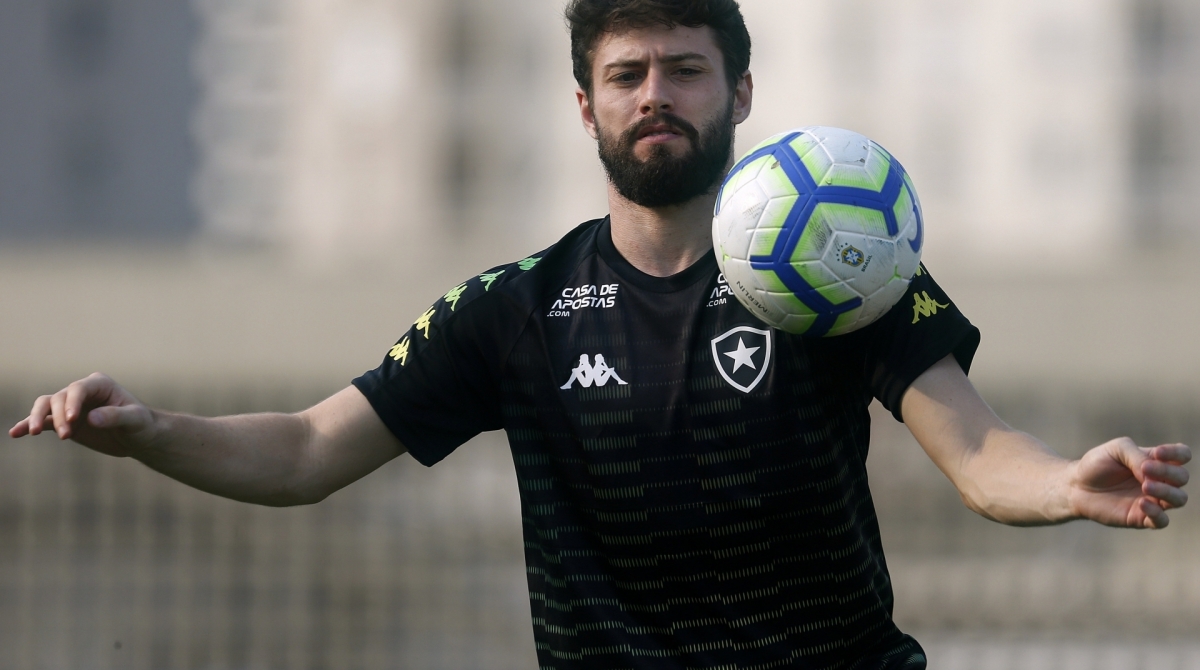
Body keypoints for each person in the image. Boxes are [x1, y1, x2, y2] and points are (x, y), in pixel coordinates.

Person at [9, 0, 1191, 668]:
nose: (654, 94)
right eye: (627, 74)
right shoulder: (512, 308)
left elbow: (979, 455)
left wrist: (1063, 483)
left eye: (686, 69)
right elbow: (309, 450)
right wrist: (150, 430)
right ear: (586, 105)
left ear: (739, 93)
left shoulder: (842, 260)